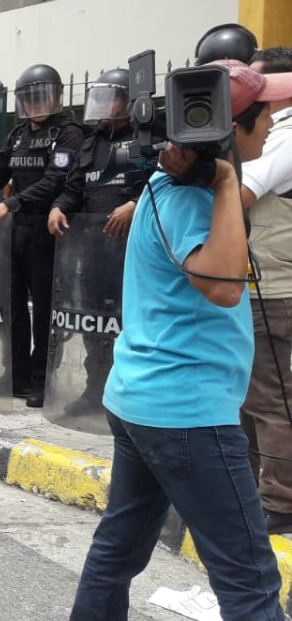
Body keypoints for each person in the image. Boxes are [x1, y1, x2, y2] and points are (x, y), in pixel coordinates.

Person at [69, 59, 292, 621]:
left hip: (142, 399)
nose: (273, 123)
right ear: (230, 129)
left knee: (118, 549)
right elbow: (222, 287)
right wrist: (226, 182)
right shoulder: (196, 197)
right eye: (265, 113)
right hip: (186, 413)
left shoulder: (166, 184)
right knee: (250, 579)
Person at [0, 64, 85, 406]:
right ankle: (16, 374)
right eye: (30, 98)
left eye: (43, 96)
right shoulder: (17, 135)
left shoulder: (68, 134)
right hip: (16, 230)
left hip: (49, 231)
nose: (37, 104)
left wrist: (9, 204)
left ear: (56, 96)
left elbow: (55, 181)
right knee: (12, 307)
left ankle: (42, 379)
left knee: (45, 310)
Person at [46, 70, 146, 422]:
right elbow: (73, 186)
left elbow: (163, 181)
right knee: (94, 324)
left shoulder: (145, 138)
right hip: (94, 250)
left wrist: (135, 204)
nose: (102, 106)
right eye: (98, 99)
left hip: (132, 252)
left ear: (129, 101)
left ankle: (129, 395)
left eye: (110, 99)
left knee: (128, 323)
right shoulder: (91, 143)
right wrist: (59, 206)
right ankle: (95, 390)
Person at [236, 48, 292, 534]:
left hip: (272, 287)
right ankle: (257, 489)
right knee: (251, 396)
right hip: (259, 284)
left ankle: (279, 501)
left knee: (268, 399)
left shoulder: (285, 134)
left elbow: (240, 193)